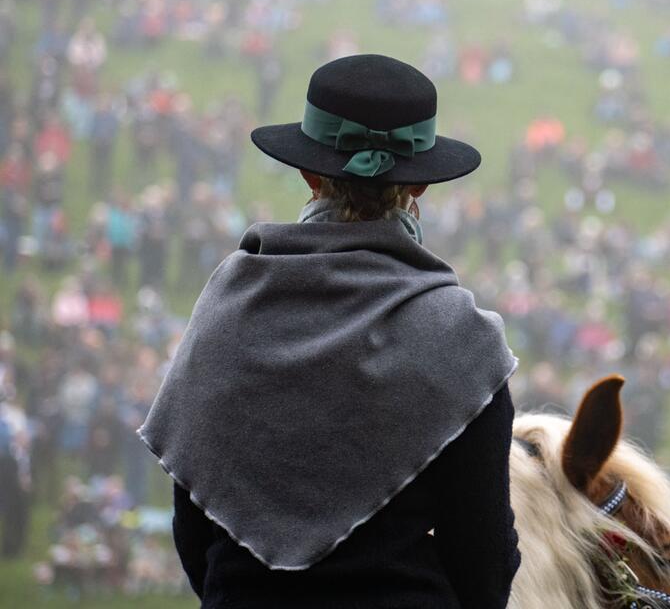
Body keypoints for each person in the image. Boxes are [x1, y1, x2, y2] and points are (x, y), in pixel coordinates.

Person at [138, 55, 520, 608]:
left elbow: (193, 527)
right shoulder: (460, 338)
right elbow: (482, 559)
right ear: (420, 188)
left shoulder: (228, 304)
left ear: (309, 174)